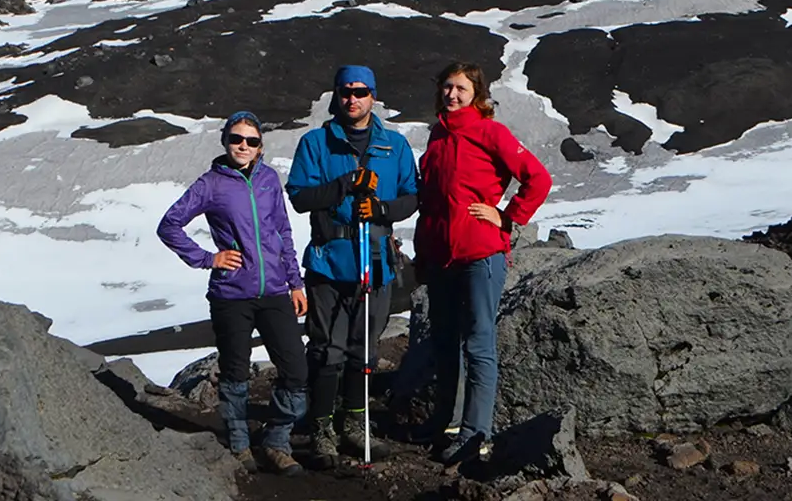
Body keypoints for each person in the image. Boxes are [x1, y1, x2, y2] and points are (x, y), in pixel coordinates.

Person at [415, 61, 552, 465]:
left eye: (460, 88)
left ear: (477, 94)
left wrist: (507, 217)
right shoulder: (438, 135)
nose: (452, 95)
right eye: (447, 87)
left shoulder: (490, 131)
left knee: (478, 343)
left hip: (481, 254)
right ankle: (448, 423)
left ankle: (477, 433)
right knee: (444, 342)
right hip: (441, 257)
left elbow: (537, 178)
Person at [157, 111, 308, 475]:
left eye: (251, 141)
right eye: (236, 139)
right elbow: (169, 225)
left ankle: (276, 440)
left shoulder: (270, 179)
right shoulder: (210, 184)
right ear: (225, 142)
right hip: (231, 294)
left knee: (296, 369)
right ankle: (240, 445)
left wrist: (296, 282)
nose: (243, 145)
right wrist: (209, 258)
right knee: (236, 372)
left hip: (273, 290)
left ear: (260, 147)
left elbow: (283, 234)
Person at [286, 65, 419, 467]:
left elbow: (412, 197)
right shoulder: (316, 143)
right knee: (328, 350)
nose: (353, 98)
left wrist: (380, 207)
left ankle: (354, 424)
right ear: (336, 95)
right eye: (346, 91)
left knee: (364, 349)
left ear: (372, 96)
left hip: (375, 262)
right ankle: (322, 428)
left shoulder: (393, 147)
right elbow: (300, 196)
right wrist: (346, 184)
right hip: (330, 262)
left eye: (361, 91)